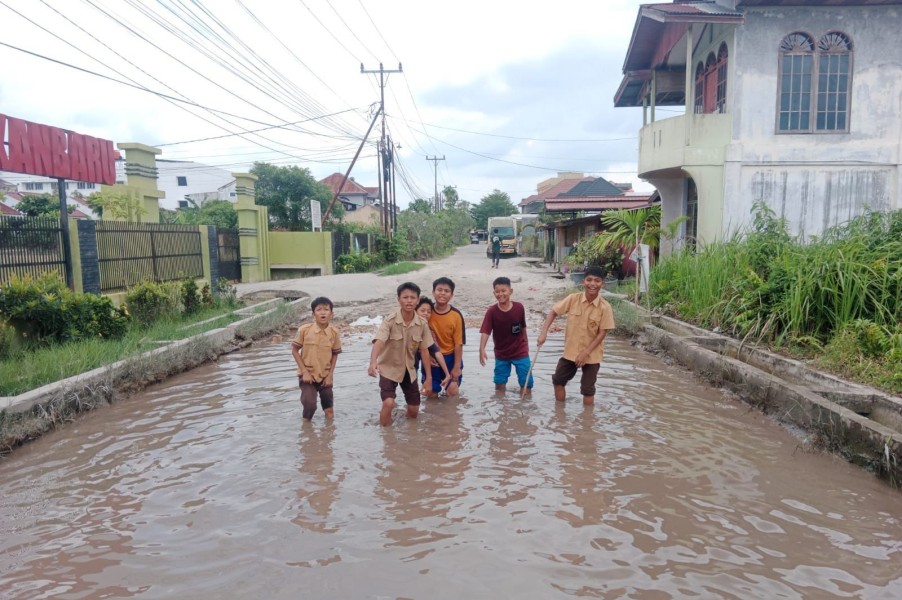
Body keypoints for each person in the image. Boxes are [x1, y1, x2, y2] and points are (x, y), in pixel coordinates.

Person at [536, 266, 615, 406]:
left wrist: (585, 353)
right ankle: (560, 415)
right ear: (583, 282)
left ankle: (586, 423)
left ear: (603, 284)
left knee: (587, 389)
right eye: (589, 280)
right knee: (558, 381)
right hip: (570, 352)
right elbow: (553, 312)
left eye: (597, 281)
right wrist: (544, 333)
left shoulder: (605, 307)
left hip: (592, 355)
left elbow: (603, 332)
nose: (593, 284)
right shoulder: (573, 299)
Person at [368, 282, 434, 426]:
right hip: (388, 368)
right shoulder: (389, 321)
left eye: (412, 298)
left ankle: (410, 433)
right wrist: (373, 362)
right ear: (398, 299)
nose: (409, 301)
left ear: (417, 300)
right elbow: (379, 341)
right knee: (389, 403)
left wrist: (428, 378)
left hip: (408, 370)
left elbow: (424, 351)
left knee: (414, 409)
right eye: (405, 297)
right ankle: (386, 436)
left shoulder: (422, 324)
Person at [290, 296, 342, 421]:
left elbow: (335, 354)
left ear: (331, 314)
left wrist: (330, 376)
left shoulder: (334, 332)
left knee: (329, 409)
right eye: (319, 310)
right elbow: (294, 350)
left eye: (326, 309)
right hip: (308, 376)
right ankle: (307, 432)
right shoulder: (304, 330)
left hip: (325, 375)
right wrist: (304, 372)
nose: (323, 312)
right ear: (313, 314)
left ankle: (329, 432)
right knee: (310, 405)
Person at [479, 276, 533, 393]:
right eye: (497, 292)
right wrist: (481, 349)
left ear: (510, 291)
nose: (500, 294)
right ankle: (501, 405)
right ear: (494, 293)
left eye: (503, 291)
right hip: (501, 353)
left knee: (526, 383)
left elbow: (523, 327)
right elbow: (486, 331)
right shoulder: (492, 311)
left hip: (520, 350)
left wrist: (526, 345)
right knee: (499, 383)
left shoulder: (519, 307)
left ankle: (526, 406)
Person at [427, 277, 466, 396]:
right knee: (431, 393)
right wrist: (427, 355)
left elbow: (458, 343)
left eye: (446, 291)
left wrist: (456, 367)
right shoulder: (426, 312)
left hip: (450, 357)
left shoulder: (456, 315)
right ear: (433, 292)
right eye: (439, 290)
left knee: (452, 393)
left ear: (451, 295)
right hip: (432, 358)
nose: (442, 293)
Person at [415, 297, 453, 393]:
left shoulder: (429, 330)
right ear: (415, 311)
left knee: (416, 392)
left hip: (416, 363)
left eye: (428, 311)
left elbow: (436, 351)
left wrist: (447, 374)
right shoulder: (408, 326)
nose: (426, 314)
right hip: (401, 362)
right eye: (422, 310)